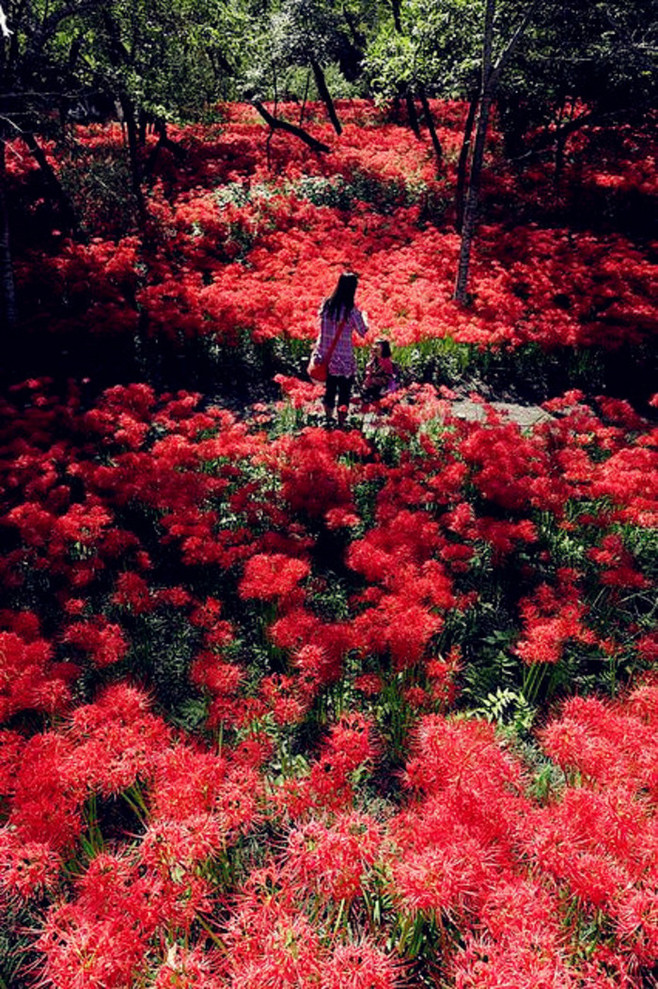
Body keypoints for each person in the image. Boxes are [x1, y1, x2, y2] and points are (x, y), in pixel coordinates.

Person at [313, 271, 368, 427]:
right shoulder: (352, 311)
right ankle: (341, 424)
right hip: (343, 360)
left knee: (329, 390)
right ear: (353, 289)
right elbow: (363, 331)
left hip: (325, 356)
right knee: (344, 393)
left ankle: (328, 419)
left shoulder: (326, 304)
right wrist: (365, 316)